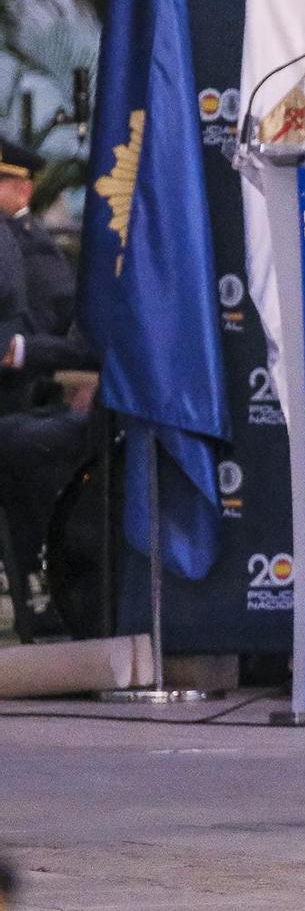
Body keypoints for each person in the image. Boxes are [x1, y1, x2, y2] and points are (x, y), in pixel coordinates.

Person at [0, 138, 95, 641]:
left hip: (21, 389)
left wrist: (21, 350)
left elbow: (63, 320)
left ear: (23, 188)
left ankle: (42, 578)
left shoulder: (25, 239)